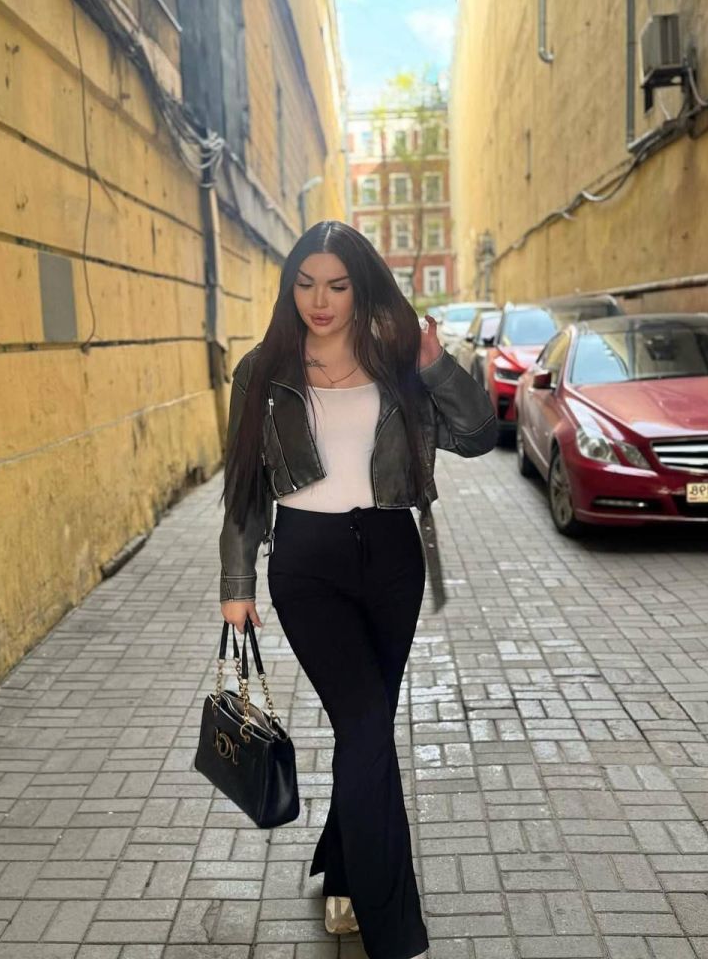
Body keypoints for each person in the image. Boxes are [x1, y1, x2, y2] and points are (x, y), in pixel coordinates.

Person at [218, 220, 497, 959]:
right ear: (290, 288)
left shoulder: (397, 360)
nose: (320, 300)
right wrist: (236, 582)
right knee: (369, 726)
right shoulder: (262, 371)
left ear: (361, 287)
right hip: (306, 566)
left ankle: (343, 868)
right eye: (305, 284)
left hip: (393, 559)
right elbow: (243, 484)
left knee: (362, 732)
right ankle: (392, 929)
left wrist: (435, 364)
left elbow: (477, 436)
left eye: (337, 285)